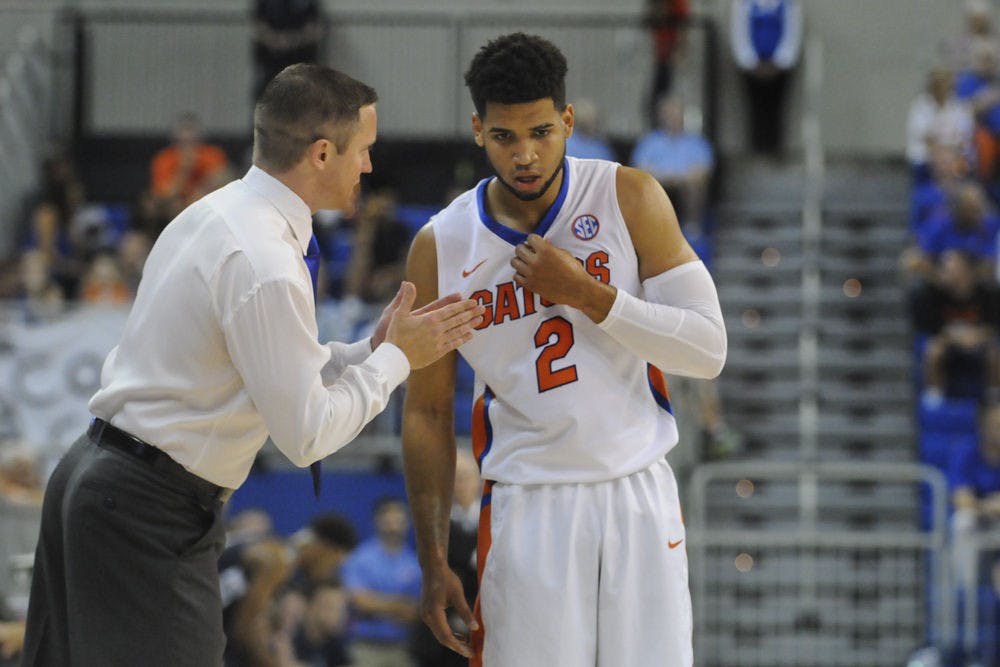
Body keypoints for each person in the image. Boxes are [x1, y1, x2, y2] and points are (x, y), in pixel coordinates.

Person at [20, 63, 484, 666]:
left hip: (102, 478)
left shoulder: (217, 212)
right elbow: (307, 434)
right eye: (364, 150)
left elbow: (268, 367)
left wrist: (370, 352)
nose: (369, 166)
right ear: (322, 154)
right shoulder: (263, 257)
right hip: (145, 505)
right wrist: (399, 360)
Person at [401, 33, 726, 666]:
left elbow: (708, 349)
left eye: (542, 132)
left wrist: (587, 293)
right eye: (504, 137)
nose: (524, 155)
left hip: (637, 492)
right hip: (529, 505)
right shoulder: (441, 245)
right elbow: (427, 412)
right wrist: (433, 557)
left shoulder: (629, 197)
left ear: (569, 121)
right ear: (477, 130)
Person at [340, 497, 422, 667]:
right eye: (388, 519)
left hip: (403, 648)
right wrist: (398, 606)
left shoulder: (413, 562)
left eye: (399, 519)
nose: (393, 525)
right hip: (364, 647)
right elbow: (359, 602)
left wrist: (377, 603)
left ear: (408, 522)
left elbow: (415, 611)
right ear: (376, 521)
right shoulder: (360, 558)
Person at [630, 95, 714, 232]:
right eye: (668, 114)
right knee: (645, 184)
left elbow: (703, 171)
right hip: (658, 182)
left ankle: (691, 227)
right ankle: (651, 227)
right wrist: (665, 177)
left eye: (676, 113)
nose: (672, 117)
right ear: (660, 117)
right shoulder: (649, 141)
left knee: (696, 184)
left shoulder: (697, 142)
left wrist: (679, 178)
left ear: (683, 116)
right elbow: (639, 169)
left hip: (686, 183)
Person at [729, 0, 803, 157]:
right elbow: (739, 31)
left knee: (776, 108)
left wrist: (780, 61)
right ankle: (756, 150)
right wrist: (750, 61)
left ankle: (776, 150)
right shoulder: (743, 3)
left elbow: (793, 31)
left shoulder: (788, 4)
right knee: (755, 109)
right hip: (752, 67)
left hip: (780, 67)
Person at [149, 111, 233, 220]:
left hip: (208, 206)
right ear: (175, 138)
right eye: (183, 139)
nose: (188, 139)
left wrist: (201, 191)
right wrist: (184, 169)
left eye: (191, 134)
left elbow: (224, 182)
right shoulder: (164, 159)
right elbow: (164, 196)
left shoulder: (213, 154)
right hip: (175, 211)